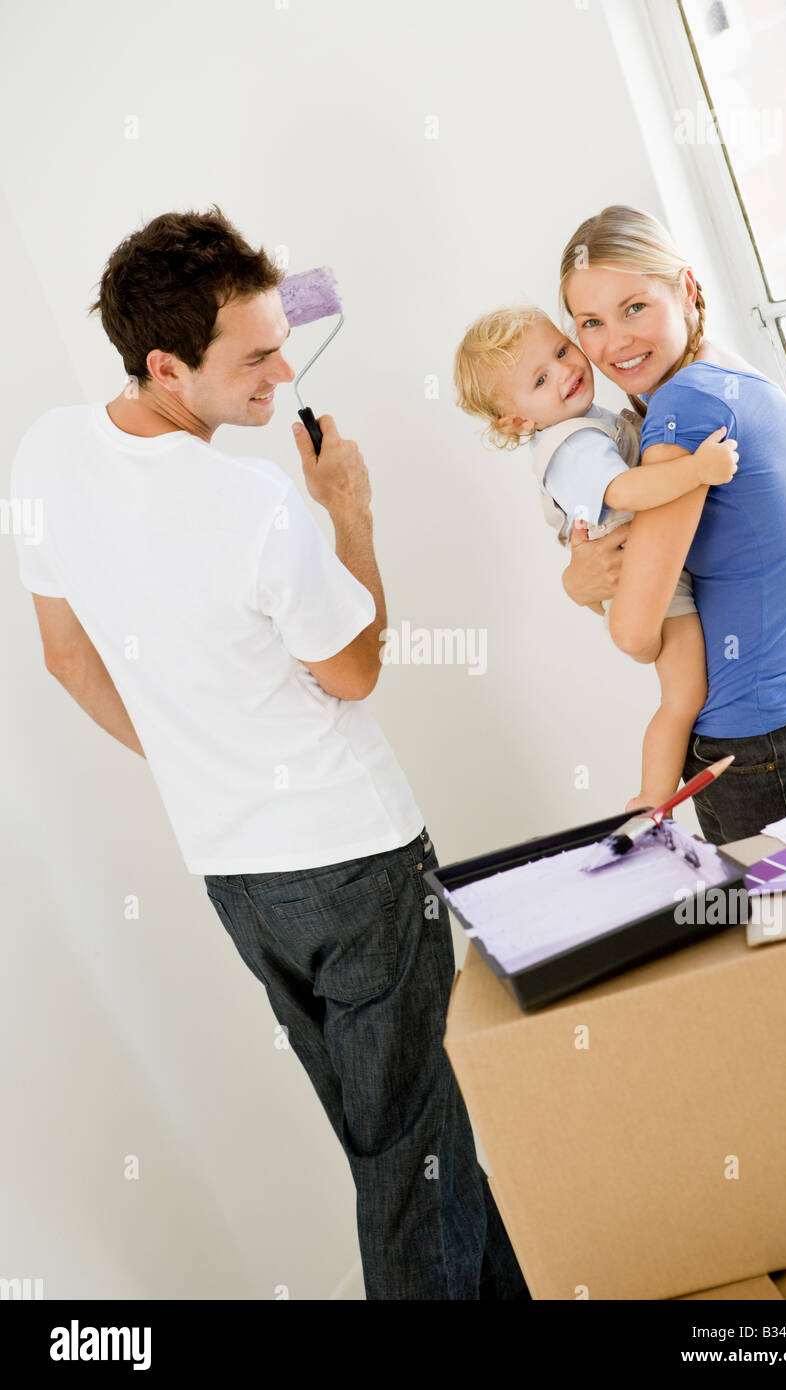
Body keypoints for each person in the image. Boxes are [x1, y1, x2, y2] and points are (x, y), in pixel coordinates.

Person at [9, 204, 529, 1301]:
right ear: (164, 365)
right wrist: (346, 509)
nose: (280, 370)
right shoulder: (253, 504)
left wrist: (207, 753)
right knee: (409, 1154)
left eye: (279, 338)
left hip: (237, 877)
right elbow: (352, 668)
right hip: (358, 865)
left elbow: (64, 655)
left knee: (398, 1137)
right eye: (252, 356)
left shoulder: (46, 451)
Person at [556, 203, 786, 843]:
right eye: (591, 322)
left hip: (763, 759)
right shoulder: (724, 376)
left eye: (635, 307)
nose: (615, 342)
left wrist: (583, 588)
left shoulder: (683, 413)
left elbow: (637, 634)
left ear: (687, 289)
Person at [453, 303, 738, 811]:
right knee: (683, 695)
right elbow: (626, 490)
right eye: (541, 378)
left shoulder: (585, 423)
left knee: (684, 690)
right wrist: (698, 470)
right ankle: (651, 797)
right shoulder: (574, 443)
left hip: (653, 572)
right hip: (650, 582)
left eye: (562, 351)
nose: (566, 370)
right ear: (518, 418)